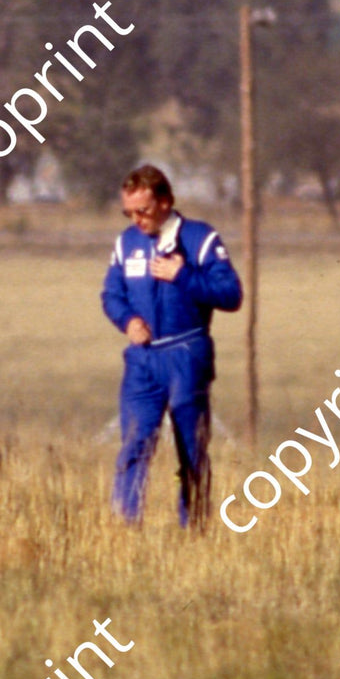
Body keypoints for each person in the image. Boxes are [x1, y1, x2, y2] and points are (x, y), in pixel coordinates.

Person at [101, 165, 242, 529]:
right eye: (128, 212)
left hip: (186, 353)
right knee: (135, 441)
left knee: (190, 447)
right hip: (142, 361)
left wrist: (183, 276)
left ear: (166, 202)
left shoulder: (200, 239)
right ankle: (124, 526)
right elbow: (111, 294)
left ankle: (192, 525)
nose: (136, 219)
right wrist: (127, 320)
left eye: (143, 211)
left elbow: (231, 294)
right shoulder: (126, 243)